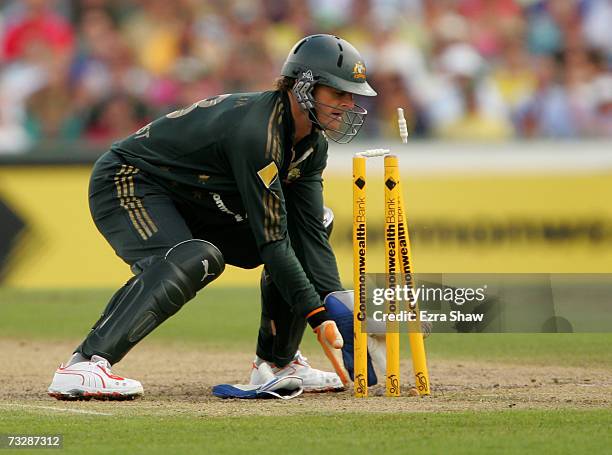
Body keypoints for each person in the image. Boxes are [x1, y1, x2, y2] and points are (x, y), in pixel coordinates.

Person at [48, 34, 377, 400]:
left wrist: (340, 307)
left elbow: (310, 233)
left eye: (352, 95)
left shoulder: (312, 146)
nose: (348, 104)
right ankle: (84, 364)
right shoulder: (259, 132)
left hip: (199, 200)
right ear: (303, 86)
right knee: (195, 258)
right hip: (128, 180)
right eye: (339, 93)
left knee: (318, 221)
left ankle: (277, 363)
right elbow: (272, 242)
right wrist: (318, 316)